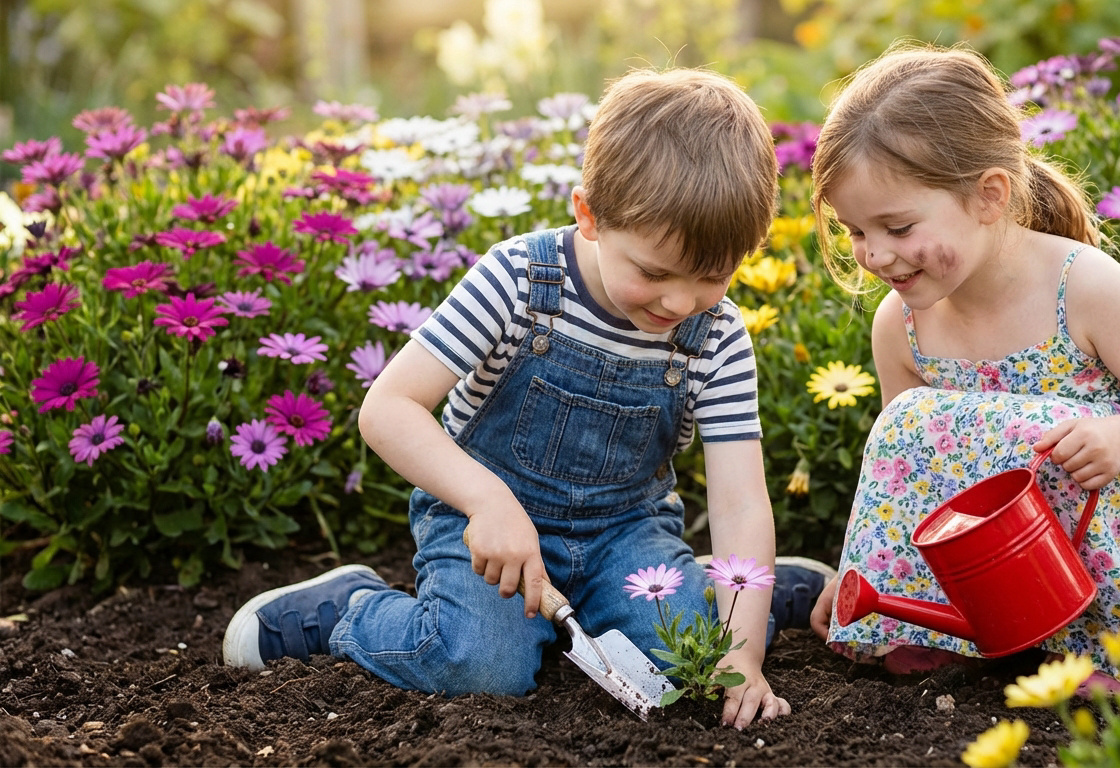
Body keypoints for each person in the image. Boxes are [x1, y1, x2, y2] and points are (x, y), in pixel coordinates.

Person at [222, 67, 833, 728]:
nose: (679, 303)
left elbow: (740, 500)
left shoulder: (716, 335)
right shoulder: (518, 279)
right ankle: (349, 609)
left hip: (626, 530)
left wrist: (740, 656)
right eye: (653, 272)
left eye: (713, 276)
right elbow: (388, 409)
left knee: (688, 668)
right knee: (483, 667)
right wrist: (487, 499)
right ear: (590, 216)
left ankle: (735, 596)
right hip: (483, 522)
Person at [804, 43, 1120, 691]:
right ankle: (956, 626)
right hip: (1005, 549)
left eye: (898, 226)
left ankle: (1107, 649)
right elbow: (907, 477)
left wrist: (1117, 438)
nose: (877, 255)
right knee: (908, 424)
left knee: (1042, 438)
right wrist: (861, 568)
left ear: (989, 196)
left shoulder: (1081, 287)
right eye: (856, 232)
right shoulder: (900, 323)